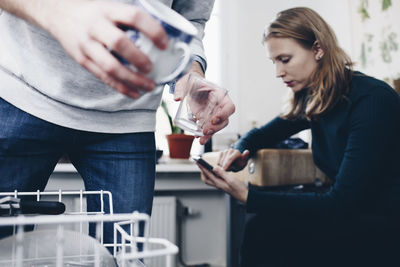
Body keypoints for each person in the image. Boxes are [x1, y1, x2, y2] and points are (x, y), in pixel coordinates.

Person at [0, 0, 234, 243]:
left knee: (123, 255)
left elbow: (189, 22)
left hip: (127, 119)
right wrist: (56, 13)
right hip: (22, 95)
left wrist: (191, 76)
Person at [196, 7, 400, 267]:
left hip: (378, 229)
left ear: (317, 49)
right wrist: (239, 149)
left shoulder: (371, 100)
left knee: (265, 232)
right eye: (274, 62)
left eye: (285, 59)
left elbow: (342, 203)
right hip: (349, 217)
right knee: (261, 229)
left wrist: (249, 196)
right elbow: (261, 134)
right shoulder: (317, 99)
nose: (278, 72)